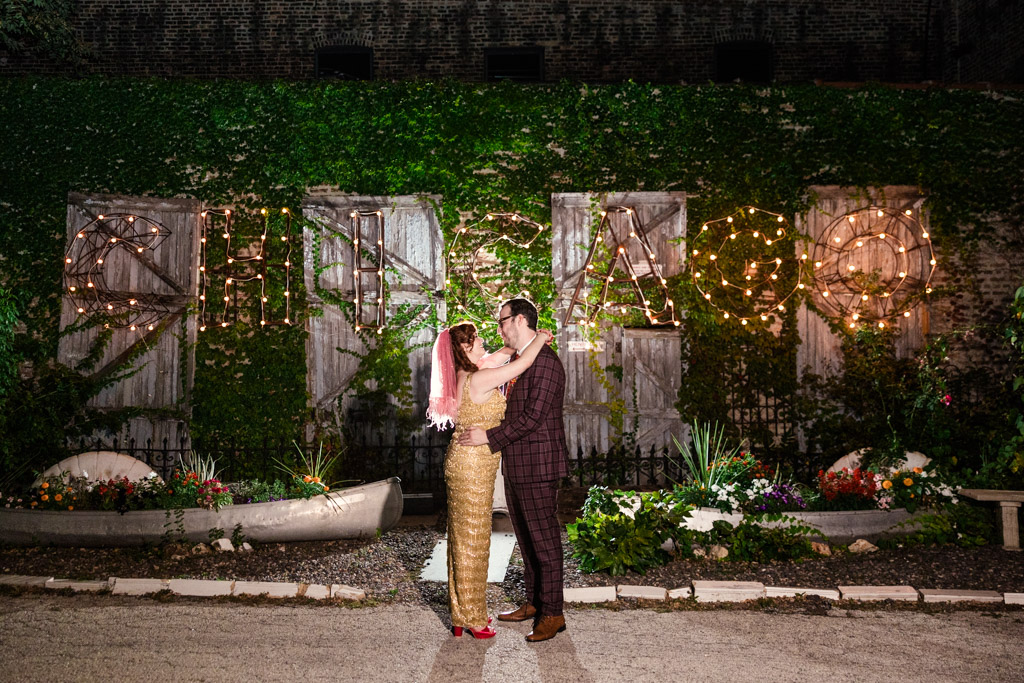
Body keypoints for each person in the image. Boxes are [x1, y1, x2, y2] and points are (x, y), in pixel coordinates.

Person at [427, 320, 552, 639]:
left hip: (465, 462)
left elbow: (503, 354)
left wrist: (516, 339)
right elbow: (522, 363)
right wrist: (539, 338)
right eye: (476, 338)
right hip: (471, 467)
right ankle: (471, 619)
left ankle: (462, 614)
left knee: (463, 539)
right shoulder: (480, 378)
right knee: (472, 542)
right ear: (466, 348)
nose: (483, 340)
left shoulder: (468, 372)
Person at [458, 298, 570, 643]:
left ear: (520, 320)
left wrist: (487, 437)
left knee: (545, 540)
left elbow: (532, 418)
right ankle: (535, 602)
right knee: (526, 539)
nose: (499, 327)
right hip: (518, 464)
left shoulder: (547, 364)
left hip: (538, 466)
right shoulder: (523, 361)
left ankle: (553, 613)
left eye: (502, 320)